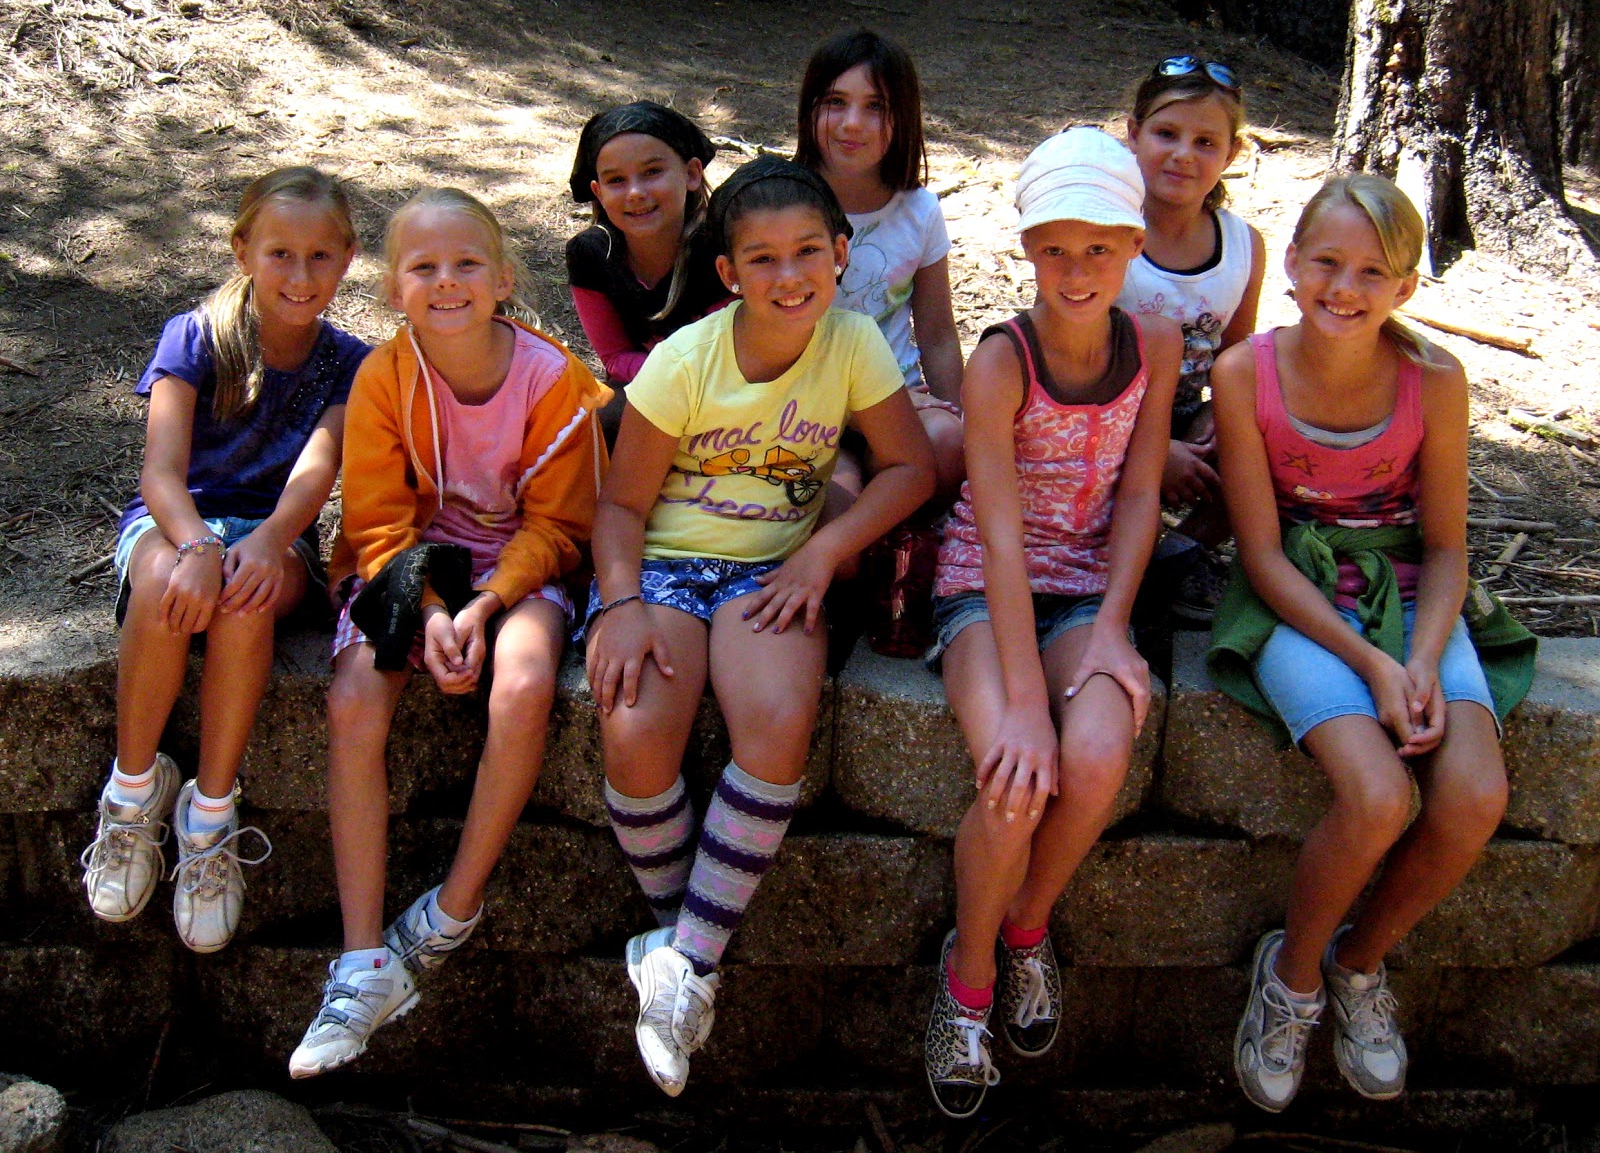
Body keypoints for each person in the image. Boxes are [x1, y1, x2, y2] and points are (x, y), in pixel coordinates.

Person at [585, 156, 934, 1096]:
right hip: (663, 564)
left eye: (808, 252)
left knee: (779, 722)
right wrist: (619, 605)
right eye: (764, 259)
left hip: (771, 569)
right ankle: (689, 954)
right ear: (728, 272)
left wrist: (825, 551)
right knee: (636, 729)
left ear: (841, 254)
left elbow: (911, 467)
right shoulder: (684, 361)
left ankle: (681, 962)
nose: (790, 276)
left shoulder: (852, 342)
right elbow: (620, 506)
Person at [1209, 175, 1534, 1112]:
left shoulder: (1437, 380)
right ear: (1292, 263)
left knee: (1473, 796)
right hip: (1301, 601)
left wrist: (1422, 660)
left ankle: (1358, 962)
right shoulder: (1245, 374)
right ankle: (1292, 978)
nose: (1344, 288)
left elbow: (1446, 547)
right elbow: (1261, 555)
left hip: (1413, 601)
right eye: (1326, 262)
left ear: (1406, 288)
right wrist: (1373, 667)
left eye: (1372, 272)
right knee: (1381, 795)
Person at [289, 188, 609, 1078]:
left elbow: (561, 526)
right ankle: (361, 958)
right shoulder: (383, 378)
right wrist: (431, 610)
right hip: (412, 561)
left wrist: (485, 605)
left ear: (503, 279)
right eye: (423, 267)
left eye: (467, 263)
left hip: (520, 565)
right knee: (355, 697)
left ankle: (450, 911)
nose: (446, 282)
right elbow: (379, 525)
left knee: (524, 680)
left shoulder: (553, 380)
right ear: (394, 289)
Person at [924, 128, 1180, 1119]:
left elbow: (1141, 488)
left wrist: (1114, 626)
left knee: (1101, 753)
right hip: (985, 584)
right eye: (1056, 250)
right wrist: (1025, 700)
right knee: (1015, 774)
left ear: (1135, 244)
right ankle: (970, 976)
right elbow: (994, 536)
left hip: (1086, 586)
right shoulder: (1002, 361)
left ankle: (1026, 922)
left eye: (1100, 249)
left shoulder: (1153, 344)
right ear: (1028, 248)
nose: (1078, 272)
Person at [82, 166, 367, 954]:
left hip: (276, 533)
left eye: (320, 255)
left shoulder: (350, 362)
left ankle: (210, 815)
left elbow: (316, 472)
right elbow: (160, 473)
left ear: (348, 258)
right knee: (164, 583)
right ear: (243, 251)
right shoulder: (194, 336)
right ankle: (132, 793)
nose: (300, 274)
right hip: (177, 522)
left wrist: (266, 540)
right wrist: (199, 543)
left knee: (247, 597)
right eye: (280, 254)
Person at [1116, 55, 1264, 623]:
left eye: (1205, 142)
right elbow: (1064, 358)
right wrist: (1154, 451)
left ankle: (1180, 553)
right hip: (1097, 418)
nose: (1183, 154)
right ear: (1134, 134)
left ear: (1231, 153)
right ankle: (1106, 556)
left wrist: (1218, 419)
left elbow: (1235, 357)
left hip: (1180, 414)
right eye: (1166, 134)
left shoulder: (1243, 245)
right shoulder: (1104, 229)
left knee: (1269, 436)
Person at [795, 28, 965, 504]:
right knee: (836, 497)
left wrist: (962, 417)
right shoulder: (780, 202)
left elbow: (937, 334)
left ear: (903, 118)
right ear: (809, 108)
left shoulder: (919, 211)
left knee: (948, 444)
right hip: (802, 407)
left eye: (876, 107)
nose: (853, 124)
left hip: (897, 399)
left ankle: (907, 533)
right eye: (836, 102)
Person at [566, 102, 730, 443]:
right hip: (645, 390)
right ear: (598, 191)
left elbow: (733, 355)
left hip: (729, 390)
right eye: (616, 180)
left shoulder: (722, 247)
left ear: (692, 174)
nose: (636, 193)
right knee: (594, 421)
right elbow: (615, 357)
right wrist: (670, 378)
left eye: (652, 172)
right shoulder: (591, 254)